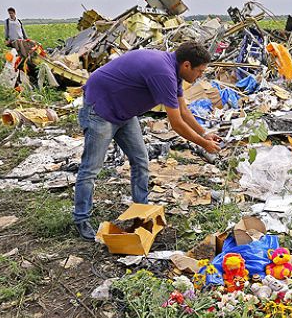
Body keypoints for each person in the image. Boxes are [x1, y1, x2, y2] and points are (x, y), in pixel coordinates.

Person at [73, 42, 221, 240]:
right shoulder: (164, 73)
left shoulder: (173, 70)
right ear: (187, 65)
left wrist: (204, 134)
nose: (200, 76)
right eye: (200, 71)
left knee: (140, 160)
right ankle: (81, 219)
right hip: (100, 108)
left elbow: (183, 110)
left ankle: (141, 211)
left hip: (124, 112)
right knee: (91, 168)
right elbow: (176, 123)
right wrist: (204, 145)